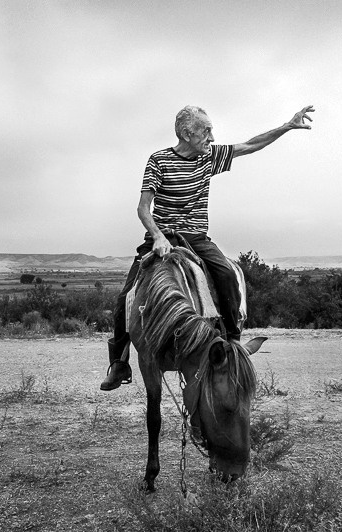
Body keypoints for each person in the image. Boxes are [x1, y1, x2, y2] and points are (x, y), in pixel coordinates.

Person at [101, 104, 315, 391]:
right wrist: (158, 236)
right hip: (162, 237)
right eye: (207, 131)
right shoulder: (159, 161)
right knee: (125, 298)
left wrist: (287, 126)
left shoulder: (210, 157)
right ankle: (119, 363)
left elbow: (250, 145)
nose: (212, 137)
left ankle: (232, 342)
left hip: (198, 238)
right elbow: (143, 208)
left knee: (226, 276)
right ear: (187, 134)